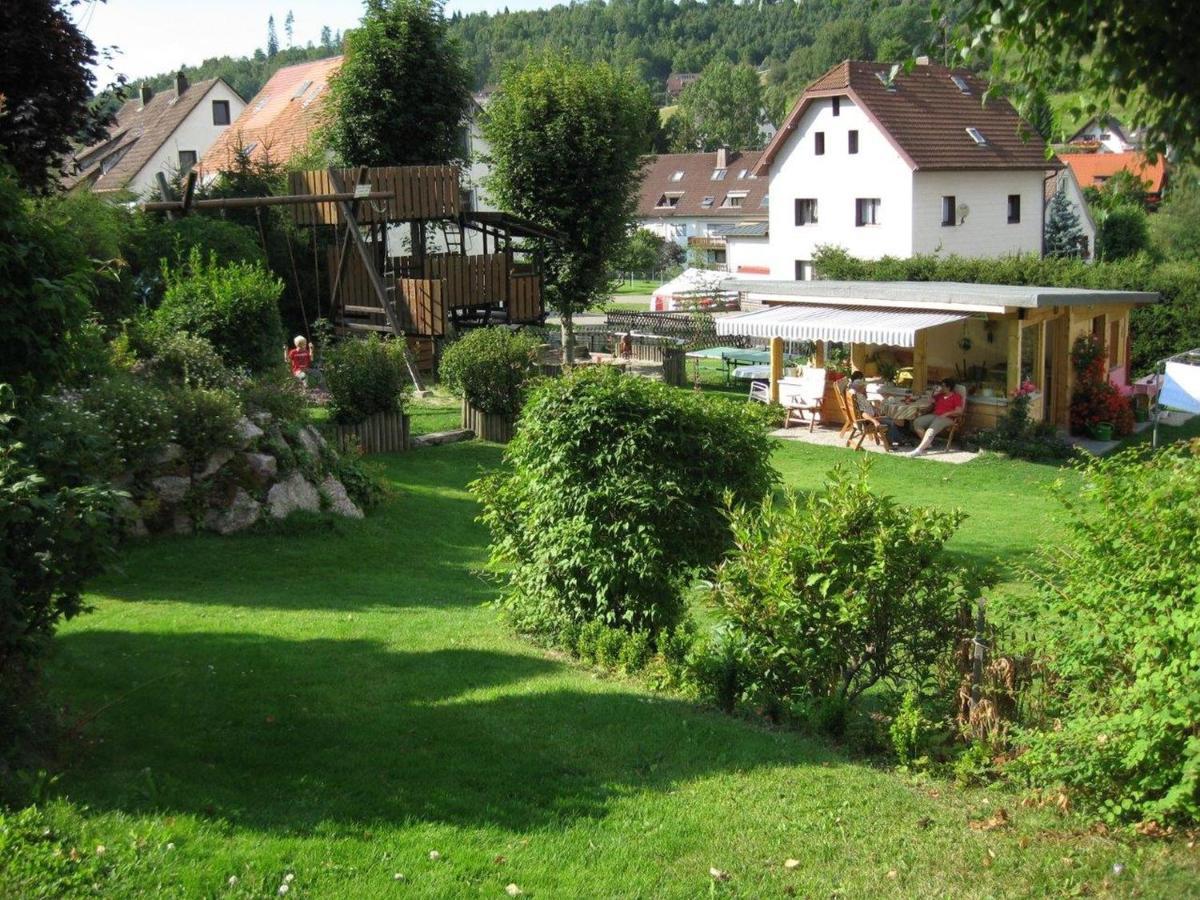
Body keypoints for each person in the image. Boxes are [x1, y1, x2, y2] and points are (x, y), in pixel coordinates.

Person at [905, 378, 964, 457]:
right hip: (935, 415)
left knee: (931, 430)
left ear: (948, 387)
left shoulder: (956, 397)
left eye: (943, 386)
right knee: (917, 422)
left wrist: (946, 414)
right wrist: (932, 394)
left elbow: (959, 411)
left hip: (948, 418)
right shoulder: (939, 395)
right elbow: (930, 400)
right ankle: (927, 444)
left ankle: (919, 450)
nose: (941, 387)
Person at [845, 371, 901, 450]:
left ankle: (899, 439)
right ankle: (891, 443)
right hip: (868, 421)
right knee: (891, 422)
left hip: (870, 416)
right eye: (863, 386)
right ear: (858, 387)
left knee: (889, 417)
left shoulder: (856, 394)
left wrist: (874, 408)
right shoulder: (857, 397)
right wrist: (874, 421)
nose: (865, 387)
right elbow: (863, 413)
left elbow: (866, 406)